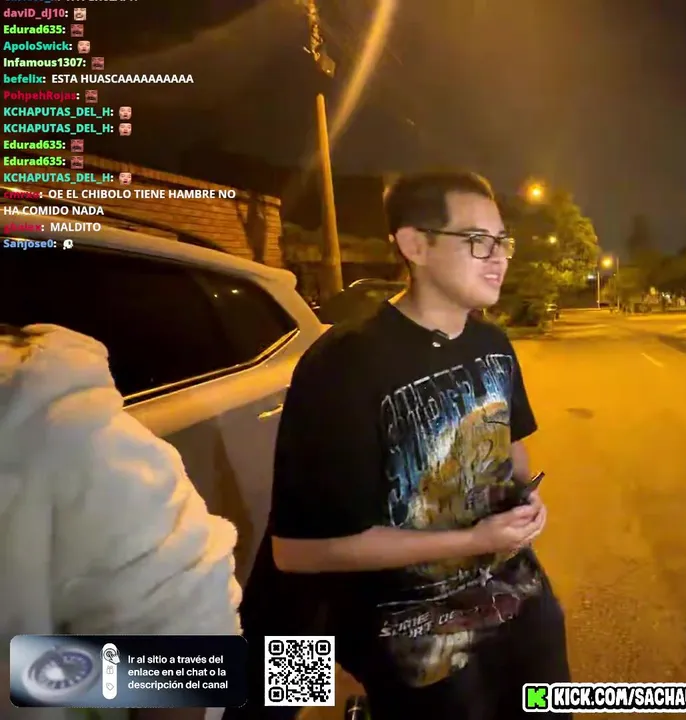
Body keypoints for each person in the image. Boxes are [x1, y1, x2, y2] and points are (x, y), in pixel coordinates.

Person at [267, 171, 569, 719]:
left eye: (502, 241)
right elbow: (297, 552)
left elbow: (512, 451)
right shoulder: (345, 363)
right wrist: (472, 539)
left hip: (521, 598)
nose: (499, 258)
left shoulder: (493, 343)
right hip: (415, 632)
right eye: (477, 241)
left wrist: (526, 501)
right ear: (415, 245)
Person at [0, 324, 241, 720]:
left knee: (301, 667)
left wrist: (18, 677)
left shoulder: (60, 426)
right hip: (304, 586)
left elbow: (190, 669)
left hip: (312, 596)